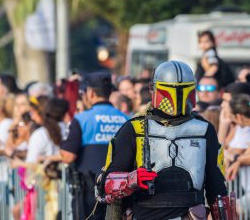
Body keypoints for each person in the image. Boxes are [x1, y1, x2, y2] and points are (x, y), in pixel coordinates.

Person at [100, 61, 227, 220]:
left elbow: (217, 190)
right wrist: (131, 179)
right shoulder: (134, 128)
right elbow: (108, 182)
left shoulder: (204, 129)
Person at [60, 72, 129, 219]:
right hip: (119, 193)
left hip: (89, 196)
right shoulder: (125, 119)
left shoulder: (81, 119)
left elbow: (67, 156)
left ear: (90, 93)